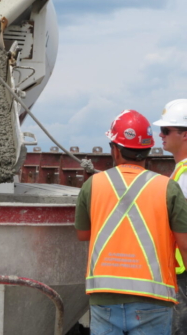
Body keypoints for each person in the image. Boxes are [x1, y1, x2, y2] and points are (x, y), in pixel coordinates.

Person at [75, 109, 187, 335]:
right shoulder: (167, 187)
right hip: (154, 299)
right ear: (148, 150)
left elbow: (83, 234)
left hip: (104, 296)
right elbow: (185, 244)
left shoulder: (93, 184)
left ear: (115, 150)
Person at [154, 99, 187, 335]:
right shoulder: (180, 171)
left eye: (166, 130)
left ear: (184, 134)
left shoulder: (185, 174)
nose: (160, 135)